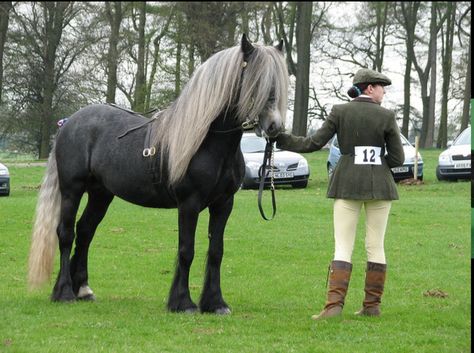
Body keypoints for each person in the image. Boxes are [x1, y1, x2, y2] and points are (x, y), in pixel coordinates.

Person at [274, 68, 405, 320]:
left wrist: (281, 139)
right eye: (381, 87)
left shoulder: (340, 112)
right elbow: (397, 158)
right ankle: (372, 306)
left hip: (347, 184)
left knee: (343, 245)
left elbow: (313, 143)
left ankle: (333, 307)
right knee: (375, 245)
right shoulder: (387, 116)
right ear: (369, 88)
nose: (384, 91)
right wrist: (377, 164)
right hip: (381, 186)